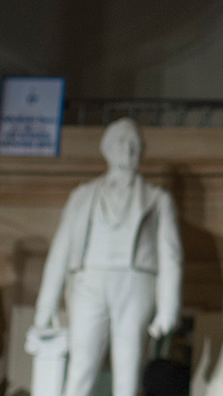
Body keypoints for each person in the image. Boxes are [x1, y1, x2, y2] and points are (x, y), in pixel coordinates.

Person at [32, 117, 183, 396]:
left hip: (135, 283)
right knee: (81, 366)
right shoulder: (82, 196)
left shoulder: (158, 200)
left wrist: (168, 307)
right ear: (107, 148)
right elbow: (60, 249)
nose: (128, 149)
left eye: (134, 144)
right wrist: (46, 305)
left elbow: (170, 255)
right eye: (121, 143)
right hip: (88, 282)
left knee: (129, 369)